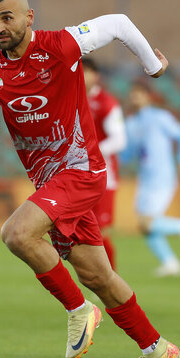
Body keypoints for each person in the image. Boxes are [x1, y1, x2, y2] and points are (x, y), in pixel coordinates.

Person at [0, 0, 180, 358]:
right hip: (51, 182)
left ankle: (79, 310)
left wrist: (153, 66)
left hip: (81, 171)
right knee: (98, 274)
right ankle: (156, 349)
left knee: (16, 233)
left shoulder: (61, 45)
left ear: (29, 18)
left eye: (7, 18)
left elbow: (117, 23)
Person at [121, 80, 180, 277]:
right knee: (143, 224)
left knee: (147, 222)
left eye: (138, 93)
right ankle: (170, 263)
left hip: (162, 175)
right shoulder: (130, 124)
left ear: (148, 96)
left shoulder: (160, 117)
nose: (134, 97)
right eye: (132, 93)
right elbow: (127, 154)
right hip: (145, 177)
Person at [82, 58, 126, 271]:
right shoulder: (71, 98)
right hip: (78, 174)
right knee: (80, 232)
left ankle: (112, 279)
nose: (82, 76)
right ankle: (98, 276)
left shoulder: (107, 103)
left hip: (103, 177)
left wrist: (91, 152)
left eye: (86, 72)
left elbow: (119, 140)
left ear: (96, 75)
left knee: (100, 230)